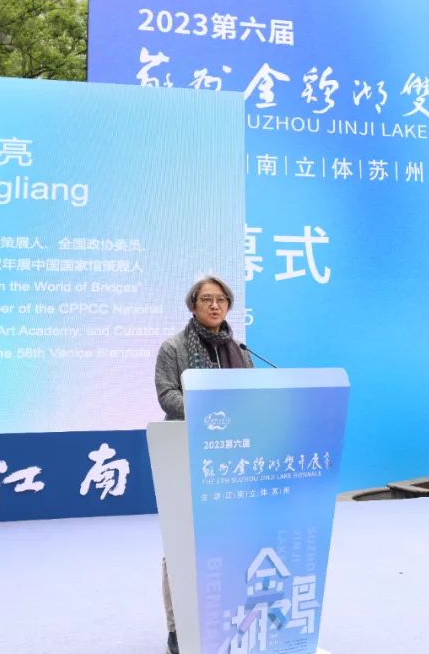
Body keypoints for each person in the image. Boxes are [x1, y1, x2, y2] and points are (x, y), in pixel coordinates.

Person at [154, 275, 253, 654]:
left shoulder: (239, 350)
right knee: (182, 542)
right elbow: (167, 395)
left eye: (221, 300)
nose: (215, 306)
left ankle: (223, 618)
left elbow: (252, 395)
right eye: (207, 299)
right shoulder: (174, 348)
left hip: (232, 457)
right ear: (192, 305)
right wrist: (212, 415)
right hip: (185, 451)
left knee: (229, 540)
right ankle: (178, 628)